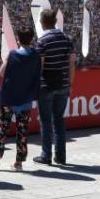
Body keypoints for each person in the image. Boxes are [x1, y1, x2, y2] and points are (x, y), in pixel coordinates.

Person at [0, 29, 41, 172]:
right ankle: (19, 162)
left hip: (8, 98)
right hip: (26, 98)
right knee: (22, 131)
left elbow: (1, 72)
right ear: (31, 39)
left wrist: (6, 60)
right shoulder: (36, 56)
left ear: (18, 39)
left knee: (2, 128)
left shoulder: (13, 55)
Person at [33, 9, 76, 165]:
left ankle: (46, 155)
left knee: (45, 121)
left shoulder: (42, 41)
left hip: (46, 86)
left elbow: (40, 66)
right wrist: (70, 83)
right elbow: (72, 63)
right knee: (58, 120)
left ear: (42, 22)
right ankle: (61, 156)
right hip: (63, 84)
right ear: (55, 21)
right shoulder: (66, 38)